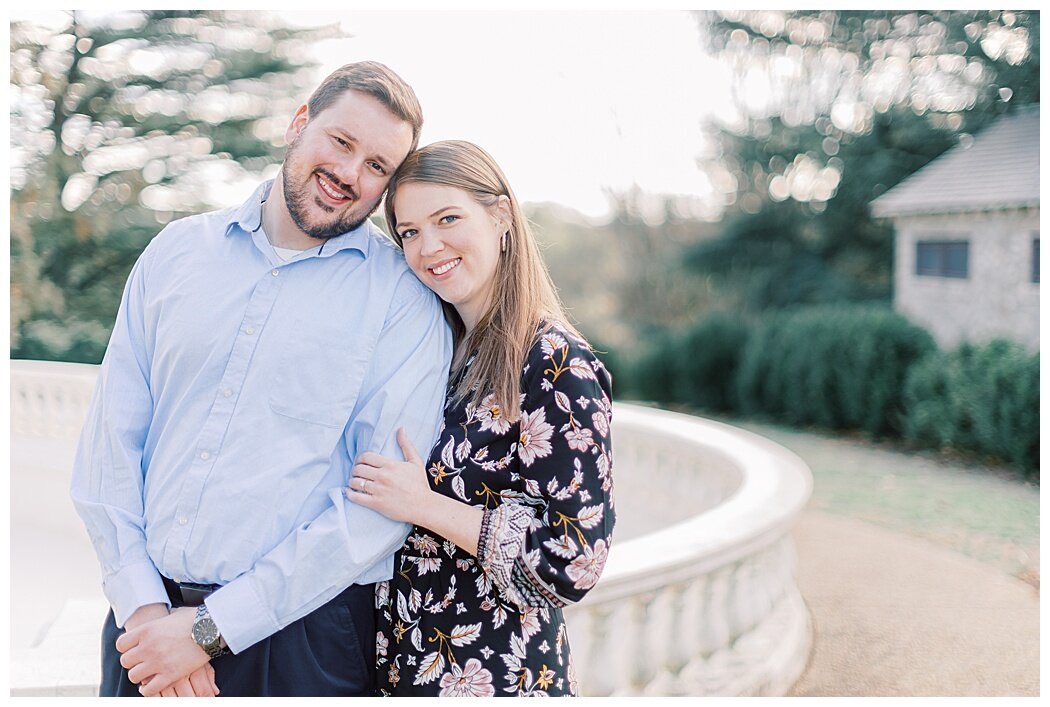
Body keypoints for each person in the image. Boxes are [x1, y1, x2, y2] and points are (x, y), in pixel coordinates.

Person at [69, 61, 453, 697]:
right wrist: (143, 612)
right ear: (299, 124)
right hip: (143, 631)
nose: (351, 175)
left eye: (378, 167)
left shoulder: (402, 301)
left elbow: (377, 508)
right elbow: (110, 446)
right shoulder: (175, 253)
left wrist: (208, 632)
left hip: (302, 645)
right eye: (342, 143)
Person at [345, 141, 615, 697]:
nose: (428, 247)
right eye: (409, 232)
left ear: (501, 217)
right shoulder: (436, 353)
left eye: (447, 219)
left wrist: (425, 506)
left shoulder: (553, 361)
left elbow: (575, 562)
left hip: (496, 676)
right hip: (403, 670)